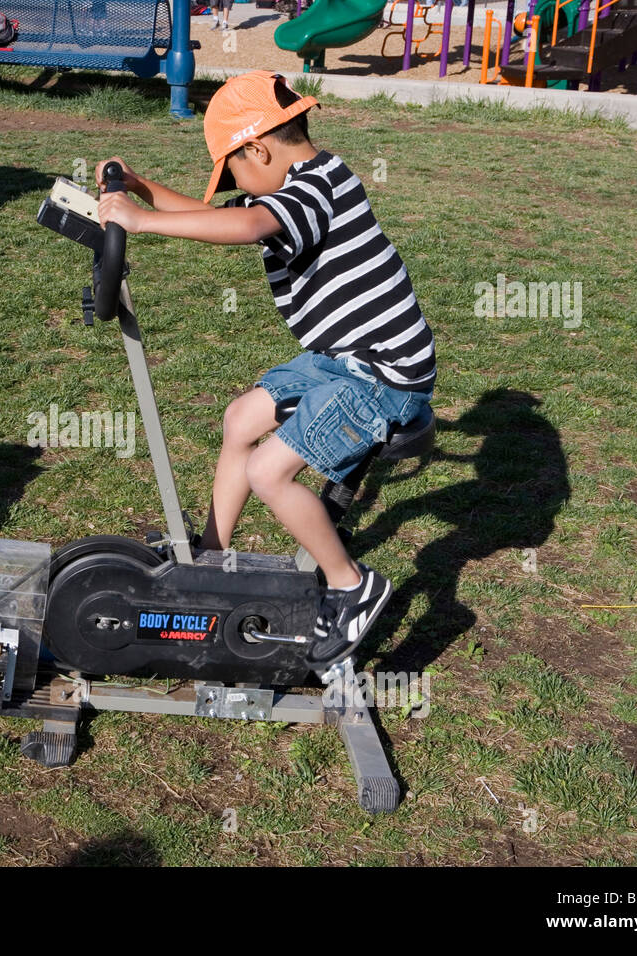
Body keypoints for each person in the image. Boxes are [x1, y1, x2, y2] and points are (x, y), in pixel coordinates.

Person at [96, 70, 436, 668]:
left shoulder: (315, 188)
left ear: (257, 148)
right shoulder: (295, 182)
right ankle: (208, 554)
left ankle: (350, 586)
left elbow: (248, 224)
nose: (237, 187)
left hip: (381, 376)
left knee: (268, 472)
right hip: (343, 359)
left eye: (234, 172)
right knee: (241, 418)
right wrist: (141, 191)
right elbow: (213, 213)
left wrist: (140, 222)